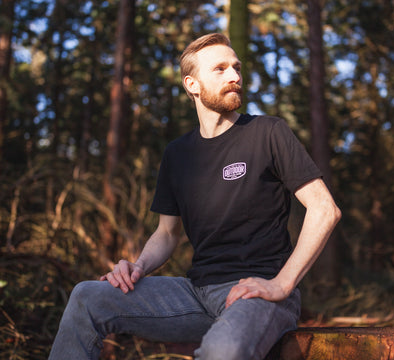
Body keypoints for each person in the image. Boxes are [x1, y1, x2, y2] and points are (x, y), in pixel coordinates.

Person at [49, 33, 341, 360]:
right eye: (220, 69)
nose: (235, 77)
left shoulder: (268, 132)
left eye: (237, 68)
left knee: (222, 351)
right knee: (88, 296)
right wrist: (138, 266)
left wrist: (282, 285)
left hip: (259, 294)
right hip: (195, 294)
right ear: (193, 85)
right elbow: (166, 233)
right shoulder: (177, 154)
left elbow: (324, 209)